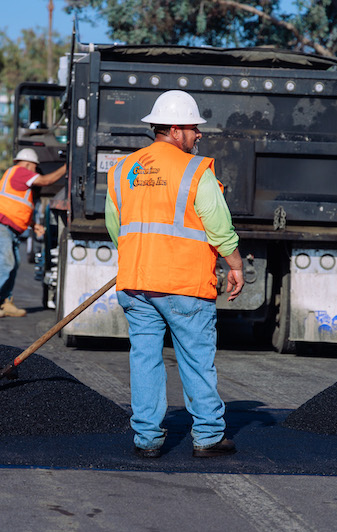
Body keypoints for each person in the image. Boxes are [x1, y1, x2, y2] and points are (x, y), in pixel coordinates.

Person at [105, 90, 245, 459]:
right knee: (196, 359)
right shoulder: (195, 170)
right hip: (183, 284)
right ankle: (209, 436)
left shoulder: (121, 171)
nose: (199, 135)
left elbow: (115, 226)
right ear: (174, 129)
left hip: (135, 282)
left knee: (144, 358)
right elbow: (218, 226)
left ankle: (147, 438)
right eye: (193, 128)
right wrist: (235, 265)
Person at [0, 149, 66, 318]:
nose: (35, 171)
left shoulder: (20, 179)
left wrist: (33, 225)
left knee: (13, 264)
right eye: (35, 167)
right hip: (0, 225)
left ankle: (5, 301)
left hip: (7, 227)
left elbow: (18, 207)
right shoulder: (20, 171)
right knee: (6, 264)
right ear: (28, 164)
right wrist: (67, 167)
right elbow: (46, 180)